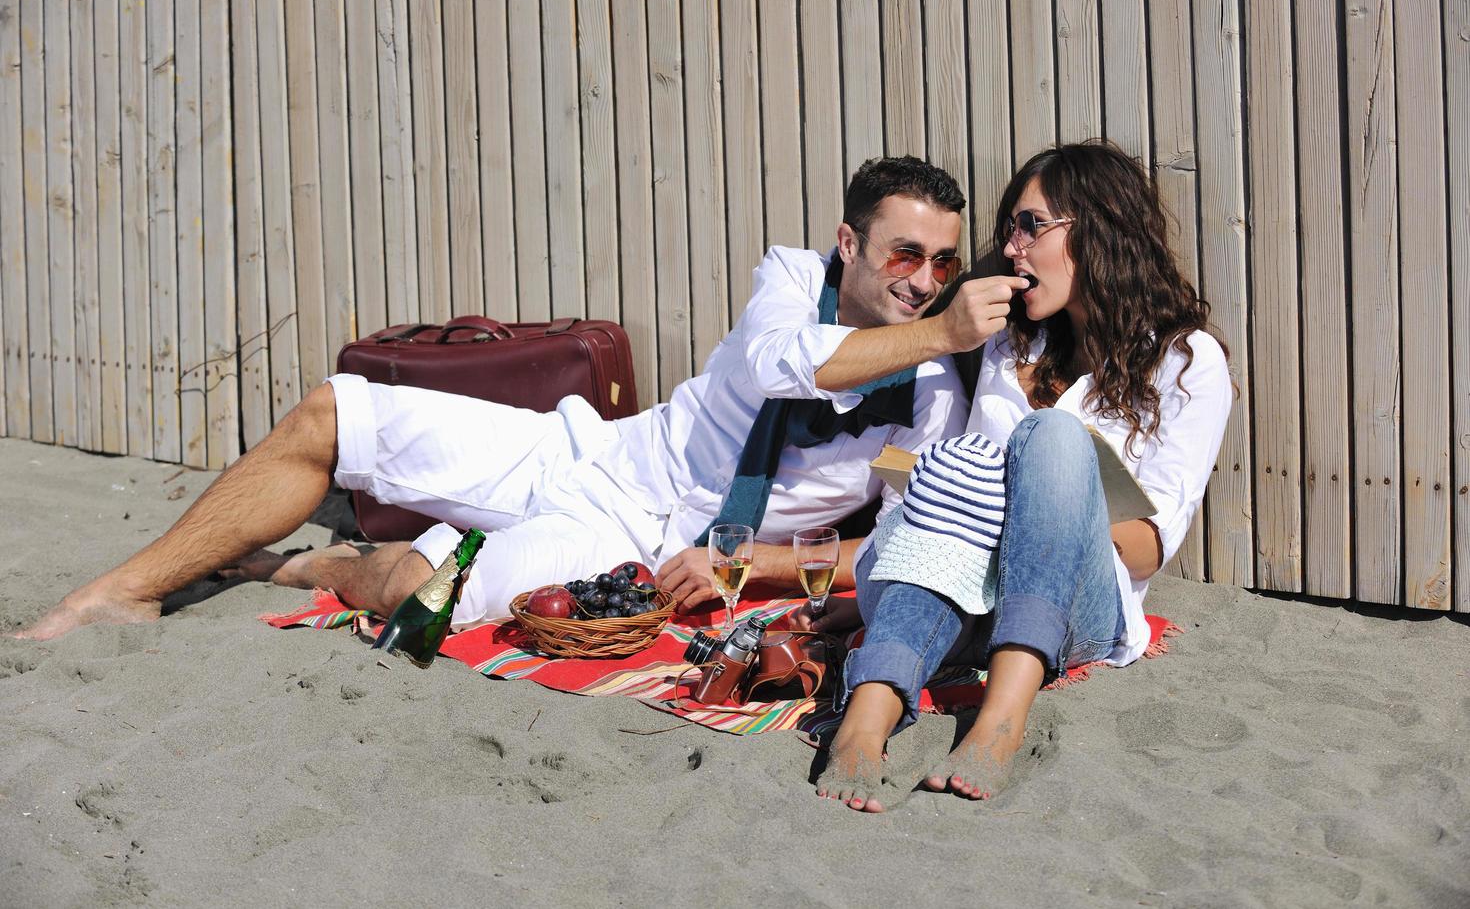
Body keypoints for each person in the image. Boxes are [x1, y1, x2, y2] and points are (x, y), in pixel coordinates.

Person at [15, 156, 1031, 642]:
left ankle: (312, 561)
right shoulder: (789, 277)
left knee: (430, 603)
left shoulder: (940, 384)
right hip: (595, 451)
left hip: (645, 536)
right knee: (335, 408)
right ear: (851, 242)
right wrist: (941, 325)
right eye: (904, 250)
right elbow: (781, 363)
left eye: (942, 262)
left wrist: (763, 561)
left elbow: (904, 535)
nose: (923, 275)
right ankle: (118, 588)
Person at [807, 140, 1233, 812]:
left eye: (1031, 226)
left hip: (1080, 602)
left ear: (1096, 228)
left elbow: (1153, 544)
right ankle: (864, 721)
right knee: (958, 482)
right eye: (1011, 229)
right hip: (967, 580)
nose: (1013, 248)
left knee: (1053, 437)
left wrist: (1047, 501)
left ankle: (1001, 722)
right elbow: (951, 503)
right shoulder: (1013, 344)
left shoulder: (1186, 362)